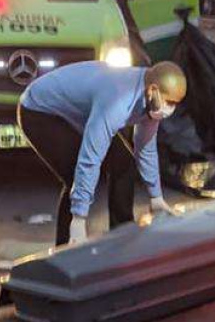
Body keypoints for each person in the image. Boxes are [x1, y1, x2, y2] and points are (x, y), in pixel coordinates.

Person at [18, 61, 186, 246]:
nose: (171, 109)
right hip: (40, 110)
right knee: (75, 176)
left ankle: (122, 236)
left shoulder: (152, 98)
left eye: (175, 104)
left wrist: (156, 197)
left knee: (123, 163)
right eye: (169, 102)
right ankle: (67, 244)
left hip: (78, 111)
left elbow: (145, 147)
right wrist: (79, 217)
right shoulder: (117, 102)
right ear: (152, 90)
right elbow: (90, 158)